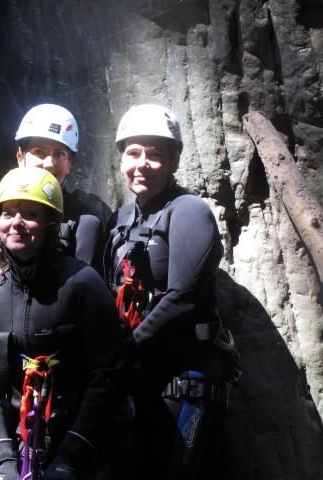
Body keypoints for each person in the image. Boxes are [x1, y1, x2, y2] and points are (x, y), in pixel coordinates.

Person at [102, 104, 241, 479]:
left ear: (174, 160)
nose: (142, 163)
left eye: (155, 155)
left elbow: (184, 298)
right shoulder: (120, 221)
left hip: (187, 380)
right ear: (120, 160)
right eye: (133, 153)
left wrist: (123, 352)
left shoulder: (189, 211)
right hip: (141, 379)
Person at [0, 166, 128, 480]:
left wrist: (69, 457)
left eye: (30, 214)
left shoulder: (82, 284)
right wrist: (3, 462)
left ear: (49, 226)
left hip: (79, 440)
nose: (16, 223)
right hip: (15, 444)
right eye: (7, 214)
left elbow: (108, 375)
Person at [15, 104, 110, 270]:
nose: (49, 164)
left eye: (59, 154)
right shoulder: (5, 215)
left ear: (69, 164)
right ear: (20, 157)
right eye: (39, 151)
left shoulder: (84, 222)